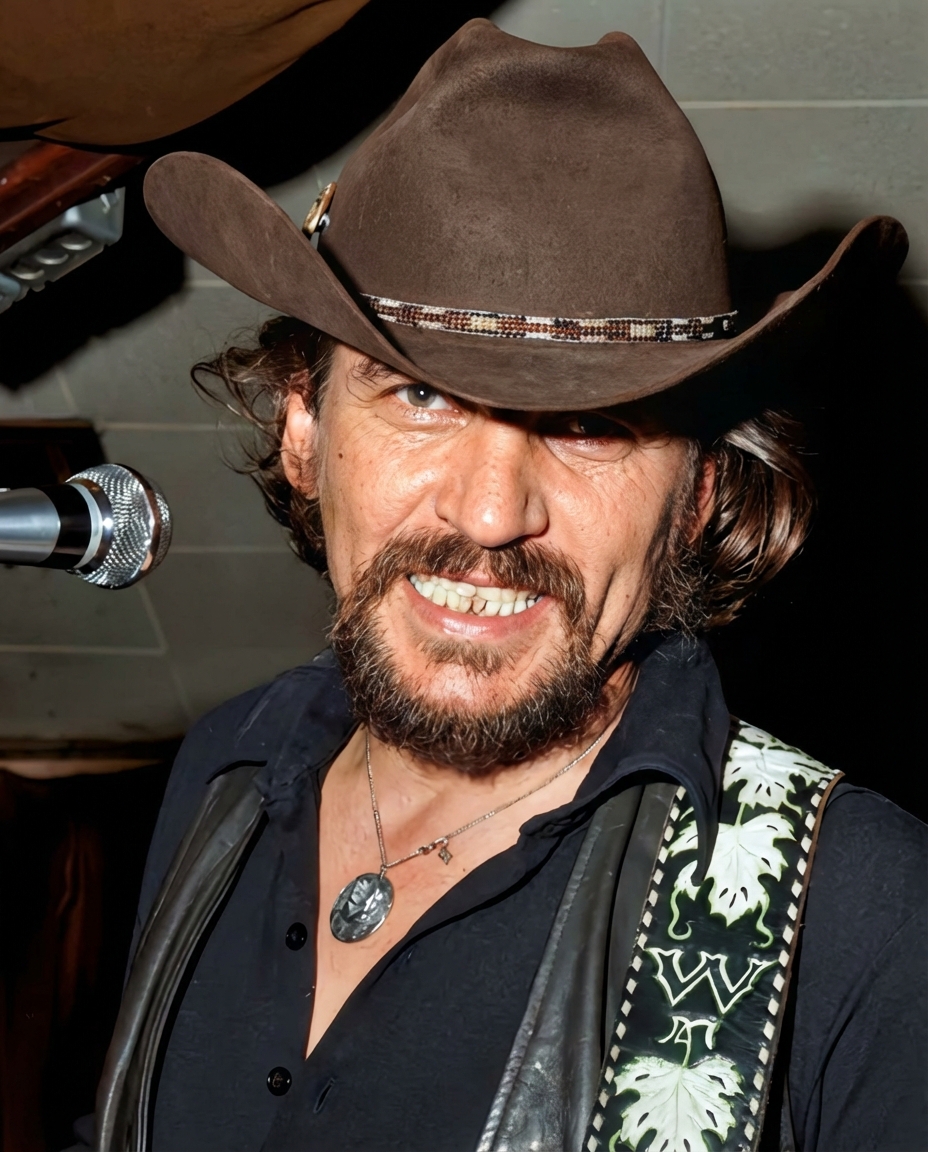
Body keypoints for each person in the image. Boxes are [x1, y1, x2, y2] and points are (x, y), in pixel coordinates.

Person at [86, 20, 926, 1152]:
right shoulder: (224, 769)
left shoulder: (864, 912)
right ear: (303, 430)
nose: (489, 513)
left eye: (593, 425)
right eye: (420, 397)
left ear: (697, 496)